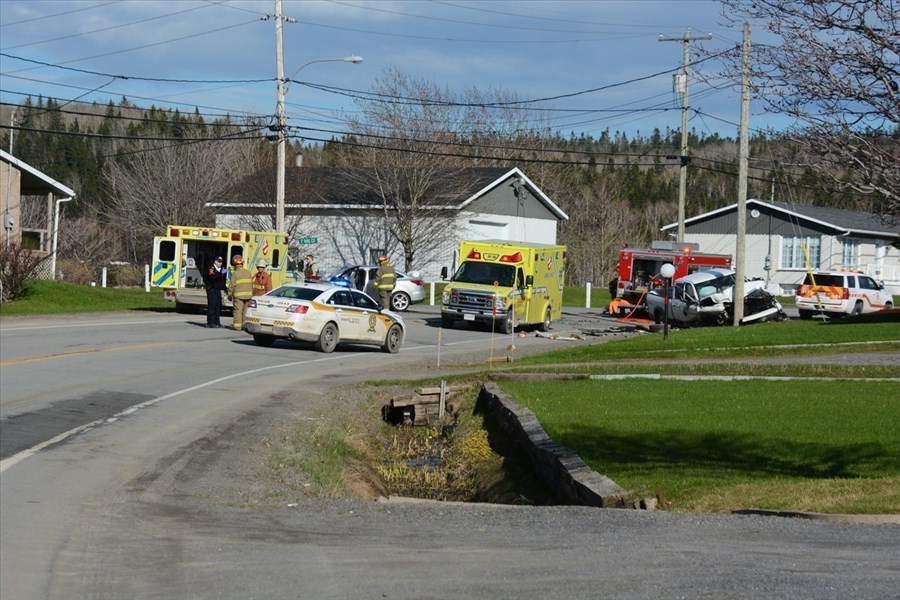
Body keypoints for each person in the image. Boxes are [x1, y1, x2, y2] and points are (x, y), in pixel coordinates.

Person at [228, 255, 253, 330]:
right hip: (248, 296)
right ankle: (244, 326)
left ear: (235, 264)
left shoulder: (235, 273)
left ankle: (237, 326)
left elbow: (232, 285)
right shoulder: (248, 272)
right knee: (245, 311)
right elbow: (251, 284)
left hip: (238, 297)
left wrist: (229, 294)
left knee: (238, 311)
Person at [203, 256, 228, 328]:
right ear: (215, 262)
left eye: (221, 262)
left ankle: (217, 322)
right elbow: (212, 277)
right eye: (219, 261)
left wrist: (225, 288)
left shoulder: (220, 270)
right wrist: (221, 273)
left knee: (218, 307)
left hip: (218, 290)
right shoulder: (211, 269)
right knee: (212, 307)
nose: (220, 263)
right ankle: (210, 323)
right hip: (212, 290)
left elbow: (221, 281)